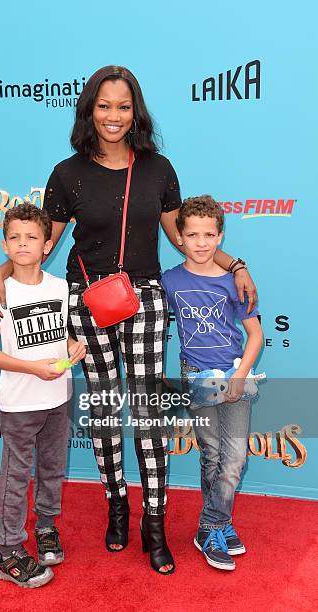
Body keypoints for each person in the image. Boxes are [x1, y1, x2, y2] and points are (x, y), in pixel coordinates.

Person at [0, 65, 258, 575]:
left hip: (146, 300)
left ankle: (154, 522)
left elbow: (183, 239)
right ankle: (116, 505)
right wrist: (0, 274)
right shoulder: (67, 174)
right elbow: (43, 240)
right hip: (88, 303)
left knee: (149, 414)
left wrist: (234, 264)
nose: (113, 116)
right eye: (103, 106)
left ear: (137, 113)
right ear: (89, 110)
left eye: (123, 106)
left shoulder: (159, 169)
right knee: (108, 411)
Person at [0, 203, 86, 588]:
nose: (23, 244)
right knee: (16, 477)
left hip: (58, 397)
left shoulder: (60, 288)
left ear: (47, 245)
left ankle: (45, 529)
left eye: (32, 237)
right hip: (20, 403)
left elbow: (61, 334)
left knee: (53, 470)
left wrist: (75, 346)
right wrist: (32, 369)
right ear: (5, 245)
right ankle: (7, 550)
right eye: (14, 237)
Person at [161, 195, 263, 571]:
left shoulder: (234, 283)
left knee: (234, 459)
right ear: (180, 238)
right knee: (212, 455)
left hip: (236, 375)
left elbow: (255, 335)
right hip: (197, 379)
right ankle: (216, 526)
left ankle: (212, 524)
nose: (202, 243)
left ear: (220, 236)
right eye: (193, 235)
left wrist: (239, 377)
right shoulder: (169, 280)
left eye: (209, 234)